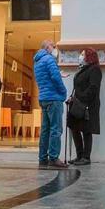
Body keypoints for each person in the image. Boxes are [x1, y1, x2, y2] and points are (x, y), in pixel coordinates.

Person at [34, 39, 67, 169]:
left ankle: (43, 157)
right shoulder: (49, 59)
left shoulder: (38, 61)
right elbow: (55, 77)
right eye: (53, 47)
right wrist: (63, 92)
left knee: (45, 130)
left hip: (43, 98)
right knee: (56, 129)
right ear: (48, 47)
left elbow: (46, 77)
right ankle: (53, 157)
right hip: (54, 98)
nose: (55, 49)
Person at [66, 48, 102, 165]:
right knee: (75, 128)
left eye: (82, 54)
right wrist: (74, 97)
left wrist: (80, 97)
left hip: (88, 105)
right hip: (77, 104)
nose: (80, 56)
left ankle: (86, 157)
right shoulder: (82, 69)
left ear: (89, 56)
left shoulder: (95, 70)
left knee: (87, 130)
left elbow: (93, 88)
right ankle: (79, 155)